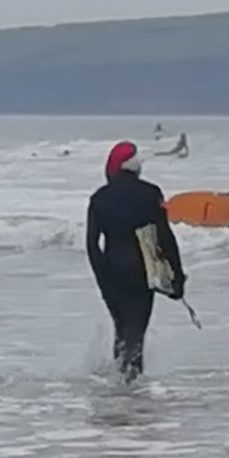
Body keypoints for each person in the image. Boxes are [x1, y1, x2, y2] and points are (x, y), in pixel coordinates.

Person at [86, 141, 186, 382]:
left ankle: (119, 391)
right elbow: (165, 237)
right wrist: (176, 276)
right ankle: (130, 395)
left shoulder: (99, 198)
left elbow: (91, 245)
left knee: (121, 331)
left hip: (111, 272)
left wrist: (102, 277)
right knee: (135, 334)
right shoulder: (150, 194)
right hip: (142, 274)